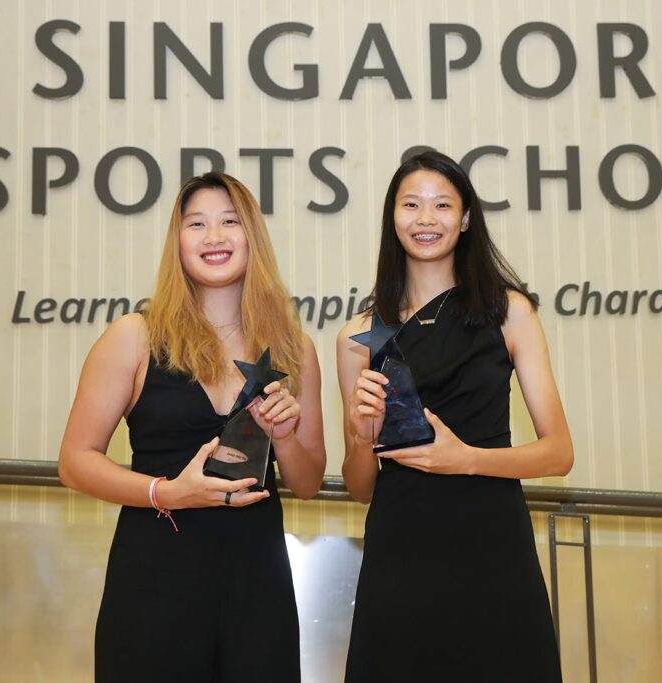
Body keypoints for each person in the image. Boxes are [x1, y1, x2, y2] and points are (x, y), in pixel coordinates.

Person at [58, 171, 326, 682]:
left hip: (257, 586)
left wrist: (287, 436)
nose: (214, 237)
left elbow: (309, 483)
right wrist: (167, 492)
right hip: (154, 584)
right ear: (177, 242)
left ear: (253, 237)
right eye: (196, 223)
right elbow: (74, 462)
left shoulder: (295, 347)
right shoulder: (134, 337)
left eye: (230, 222)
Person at [337, 151, 574, 682]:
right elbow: (360, 487)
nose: (426, 219)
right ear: (391, 217)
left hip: (491, 545)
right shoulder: (356, 335)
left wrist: (465, 459)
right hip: (400, 551)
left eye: (442, 205)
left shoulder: (508, 311)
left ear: (465, 218)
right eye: (411, 205)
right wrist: (359, 434)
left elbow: (559, 452)